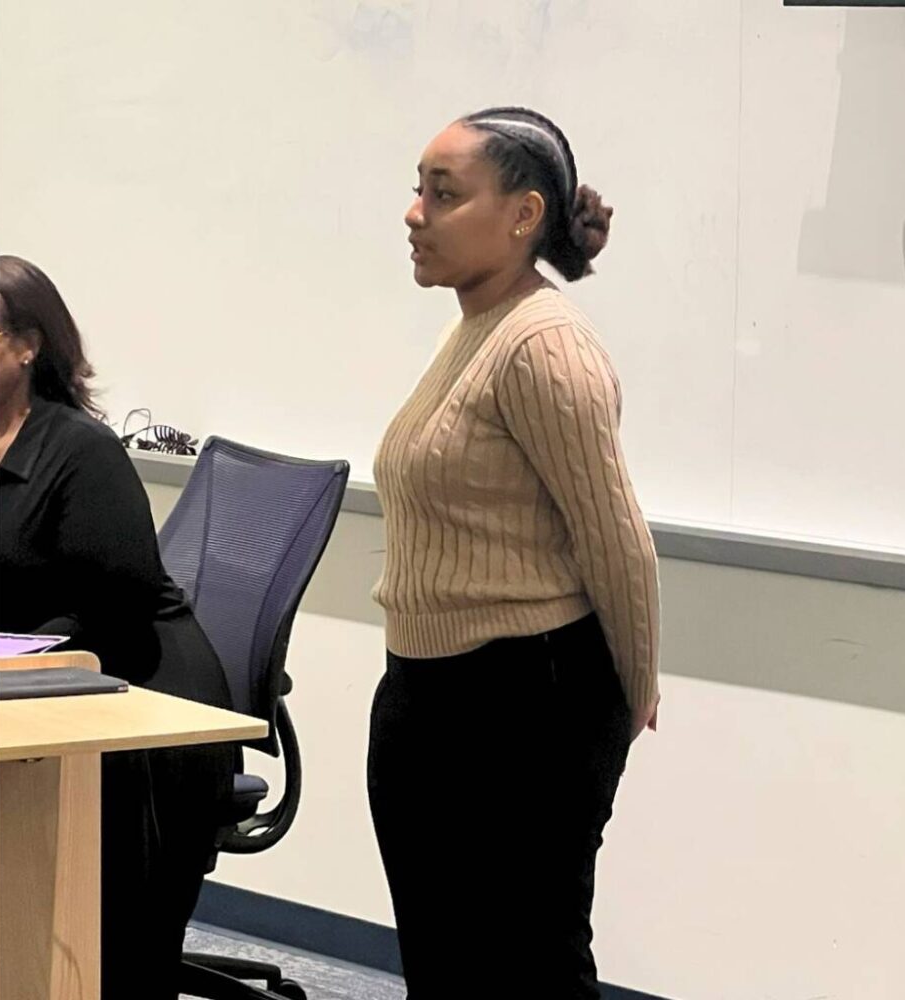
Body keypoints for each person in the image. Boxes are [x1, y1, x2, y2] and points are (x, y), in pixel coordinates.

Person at [368, 107, 661, 999]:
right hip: (430, 691)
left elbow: (616, 538)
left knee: (529, 971)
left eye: (443, 194)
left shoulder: (544, 346)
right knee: (447, 969)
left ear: (523, 214)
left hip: (526, 704)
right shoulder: (475, 329)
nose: (415, 214)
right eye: (418, 191)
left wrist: (634, 690)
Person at [0, 254, 235, 1000]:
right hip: (35, 684)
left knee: (98, 949)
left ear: (25, 345)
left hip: (140, 698)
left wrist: (15, 655)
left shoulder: (80, 451)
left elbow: (118, 604)